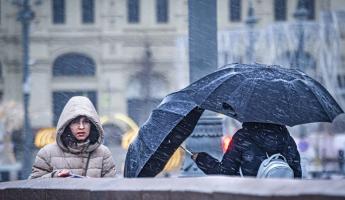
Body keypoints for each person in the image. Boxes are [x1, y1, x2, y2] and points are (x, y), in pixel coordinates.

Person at [29, 96, 116, 179]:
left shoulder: (103, 153)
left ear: (92, 124)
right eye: (75, 122)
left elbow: (111, 187)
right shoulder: (47, 153)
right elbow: (32, 186)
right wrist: (55, 176)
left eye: (86, 122)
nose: (81, 127)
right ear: (67, 125)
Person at [191, 122, 302, 178]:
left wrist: (201, 158)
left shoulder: (242, 137)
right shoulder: (287, 139)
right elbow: (296, 173)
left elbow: (226, 172)